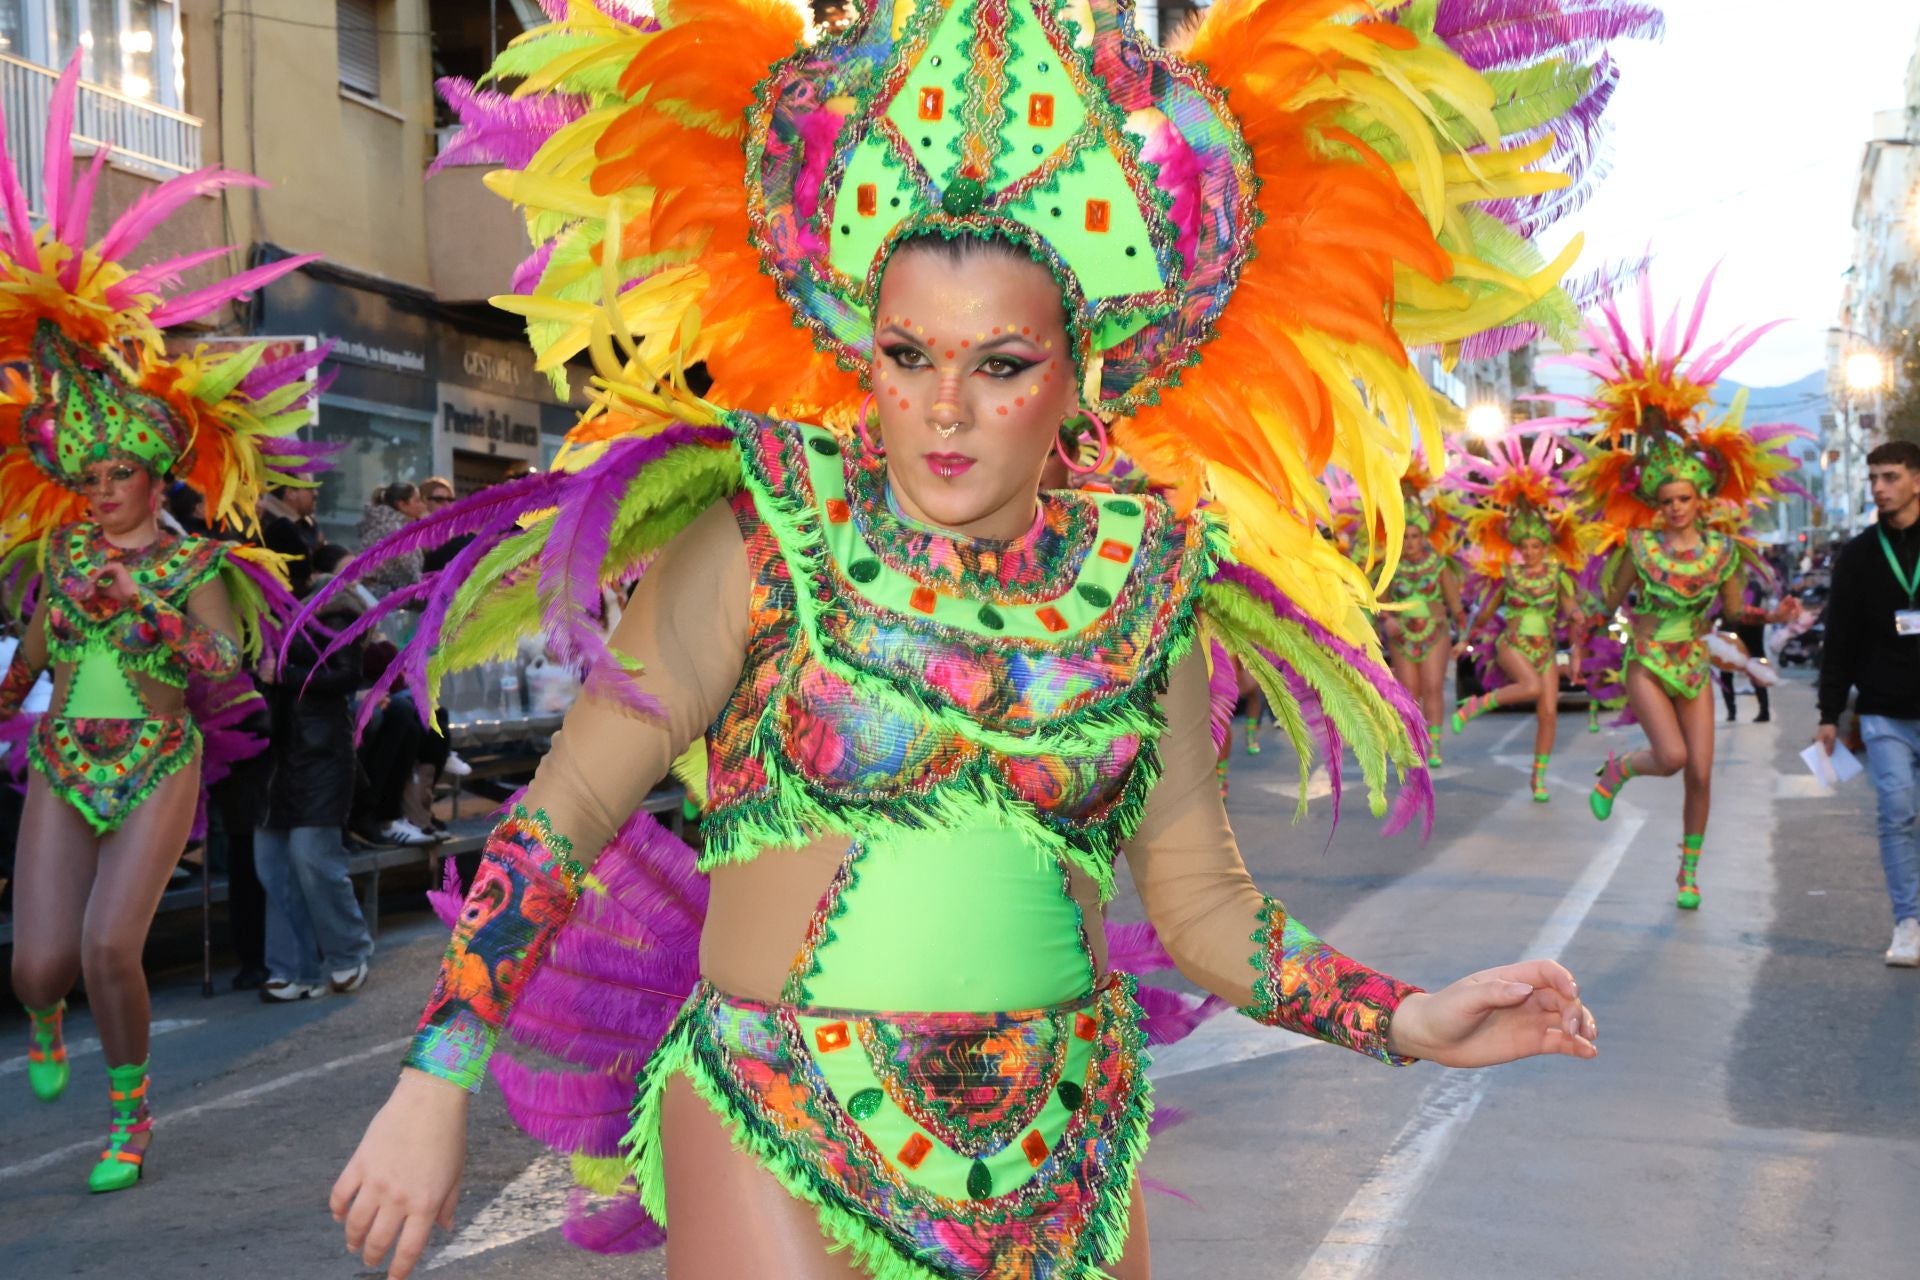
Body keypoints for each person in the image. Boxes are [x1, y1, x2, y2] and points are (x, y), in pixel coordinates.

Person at [319, 1, 1634, 1274]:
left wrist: (1405, 1018)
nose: (944, 407)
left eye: (999, 363)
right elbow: (562, 817)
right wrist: (437, 1077)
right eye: (908, 354)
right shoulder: (759, 544)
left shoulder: (1144, 597)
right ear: (864, 357)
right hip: (777, 1122)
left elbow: (1207, 911)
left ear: (1077, 374)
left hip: (1061, 1144)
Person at [1563, 278, 1805, 910]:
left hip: (1694, 665)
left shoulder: (1726, 552)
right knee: (1670, 758)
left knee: (1701, 772)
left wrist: (1768, 614)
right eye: (1665, 500)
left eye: (1684, 500)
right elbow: (1606, 601)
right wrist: (1582, 617)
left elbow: (1731, 614)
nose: (1674, 509)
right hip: (1647, 662)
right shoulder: (1636, 549)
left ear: (1702, 500)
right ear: (1657, 504)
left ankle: (1687, 873)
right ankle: (1618, 769)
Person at [1815, 440, 1920, 966]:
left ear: (1917, 480)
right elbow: (1840, 639)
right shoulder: (1857, 555)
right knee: (1897, 811)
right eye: (1874, 477)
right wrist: (1828, 714)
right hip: (1883, 711)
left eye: (1891, 476)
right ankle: (1909, 923)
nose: (1879, 487)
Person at [257, 542, 376, 1000]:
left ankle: (348, 953)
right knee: (274, 869)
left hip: (320, 758)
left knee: (312, 861)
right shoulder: (263, 626)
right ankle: (293, 968)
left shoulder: (338, 615)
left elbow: (346, 677)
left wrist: (281, 673)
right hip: (272, 762)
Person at [1449, 432, 1588, 803]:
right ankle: (1477, 704)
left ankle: (1537, 778)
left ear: (1546, 546)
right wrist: (1465, 638)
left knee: (1549, 712)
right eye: (1523, 546)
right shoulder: (1508, 576)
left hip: (1544, 647)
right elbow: (1485, 611)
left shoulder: (1558, 575)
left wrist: (1576, 615)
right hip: (1511, 645)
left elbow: (1571, 608)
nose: (1529, 552)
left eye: (1535, 546)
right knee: (1528, 688)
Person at [1381, 490, 1466, 769]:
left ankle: (1435, 746)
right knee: (1409, 692)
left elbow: (1455, 604)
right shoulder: (1390, 567)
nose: (1410, 543)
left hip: (1435, 633)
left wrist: (1464, 637)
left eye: (1415, 536)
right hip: (1402, 636)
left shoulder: (1439, 565)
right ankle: (1413, 744)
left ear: (1424, 537)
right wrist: (1387, 619)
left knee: (1432, 687)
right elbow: (1377, 601)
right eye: (1405, 537)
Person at [355, 482, 427, 599]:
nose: (423, 505)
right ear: (402, 505)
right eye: (417, 500)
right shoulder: (395, 531)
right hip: (388, 600)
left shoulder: (385, 526)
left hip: (376, 597)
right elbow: (409, 572)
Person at [260, 482, 326, 598]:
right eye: (310, 488)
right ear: (290, 493)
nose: (316, 493)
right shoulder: (269, 526)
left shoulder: (308, 525)